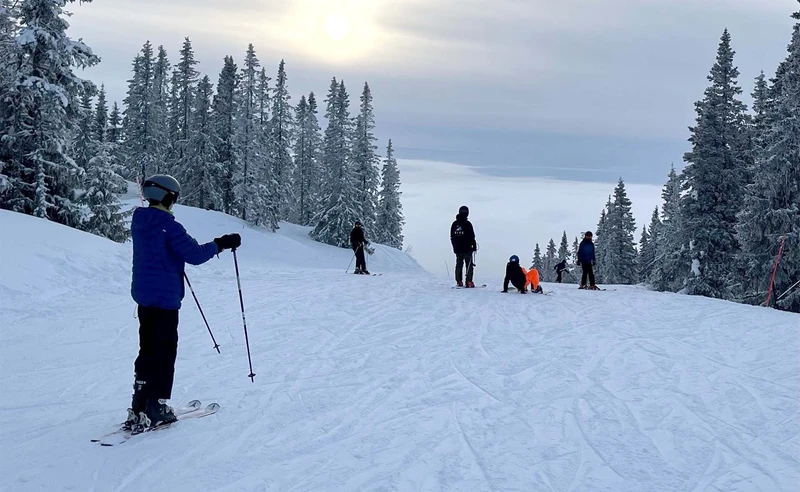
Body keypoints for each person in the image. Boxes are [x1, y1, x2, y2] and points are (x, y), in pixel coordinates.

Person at [127, 175, 241, 430]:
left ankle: (139, 403)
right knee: (165, 352)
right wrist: (221, 243)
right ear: (168, 197)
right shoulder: (169, 226)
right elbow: (195, 255)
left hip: (144, 297)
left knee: (147, 349)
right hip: (165, 299)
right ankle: (156, 407)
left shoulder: (140, 220)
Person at [450, 205, 477, 287]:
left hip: (458, 249)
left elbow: (452, 237)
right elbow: (472, 236)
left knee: (458, 265)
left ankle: (459, 281)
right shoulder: (467, 224)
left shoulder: (454, 224)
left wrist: (454, 247)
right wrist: (474, 246)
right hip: (467, 248)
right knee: (469, 265)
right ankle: (469, 281)